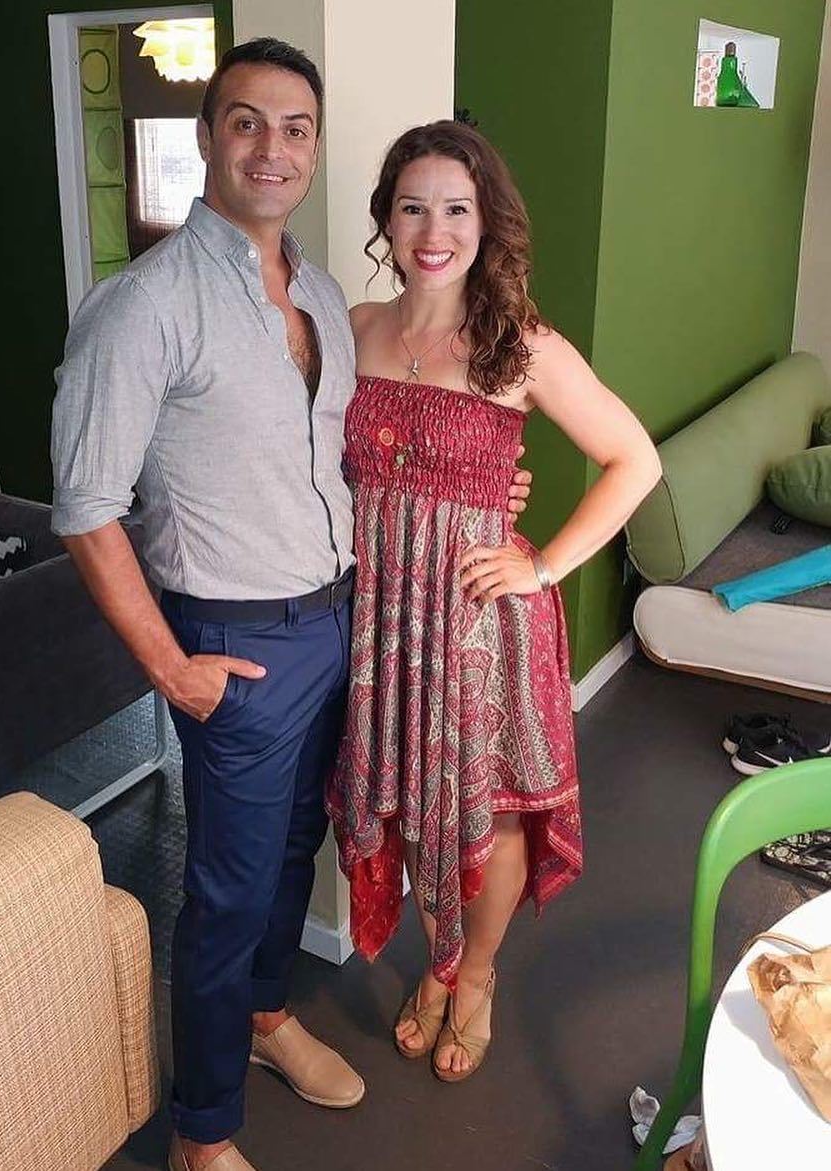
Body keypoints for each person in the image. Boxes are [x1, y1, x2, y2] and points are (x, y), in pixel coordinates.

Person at [51, 38, 532, 1171]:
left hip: (342, 622)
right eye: (247, 122)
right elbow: (84, 507)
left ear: (314, 149)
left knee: (291, 852)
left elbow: (374, 447)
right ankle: (202, 1131)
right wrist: (170, 666)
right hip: (233, 639)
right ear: (208, 137)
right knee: (225, 889)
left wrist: (487, 489)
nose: (273, 148)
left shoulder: (321, 294)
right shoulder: (143, 306)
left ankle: (267, 1017)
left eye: (296, 128)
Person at [326, 120, 662, 1084]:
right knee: (410, 802)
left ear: (486, 223)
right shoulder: (354, 327)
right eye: (413, 207)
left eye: (455, 209)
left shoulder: (522, 346)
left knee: (491, 809)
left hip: (477, 621)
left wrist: (543, 564)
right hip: (383, 615)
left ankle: (471, 975)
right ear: (387, 219)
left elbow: (633, 460)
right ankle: (434, 964)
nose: (433, 231)